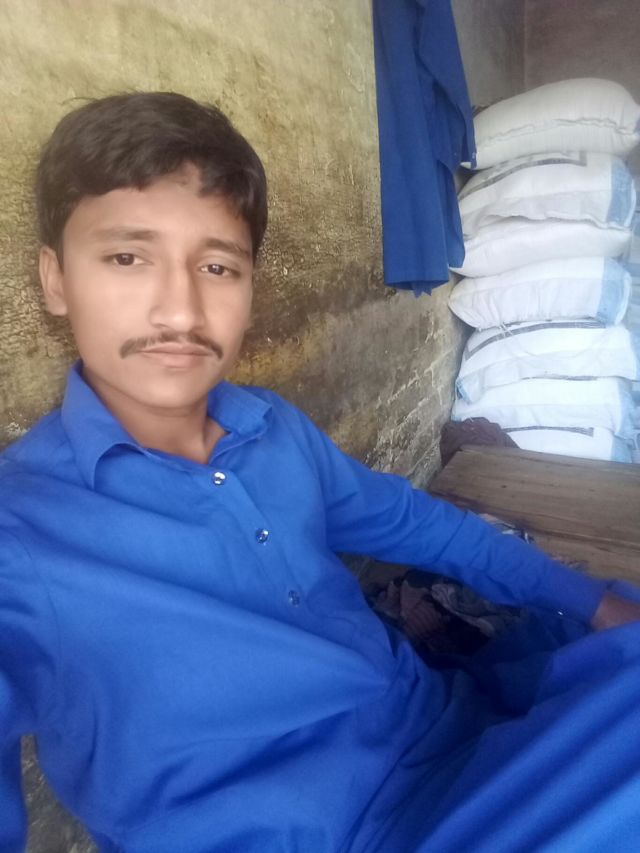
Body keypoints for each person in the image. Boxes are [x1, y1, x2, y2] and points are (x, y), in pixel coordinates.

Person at [1, 92, 640, 853]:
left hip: (456, 740)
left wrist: (591, 600)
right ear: (55, 280)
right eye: (127, 258)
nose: (180, 311)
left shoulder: (271, 429)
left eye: (217, 266)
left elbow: (419, 524)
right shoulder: (21, 533)